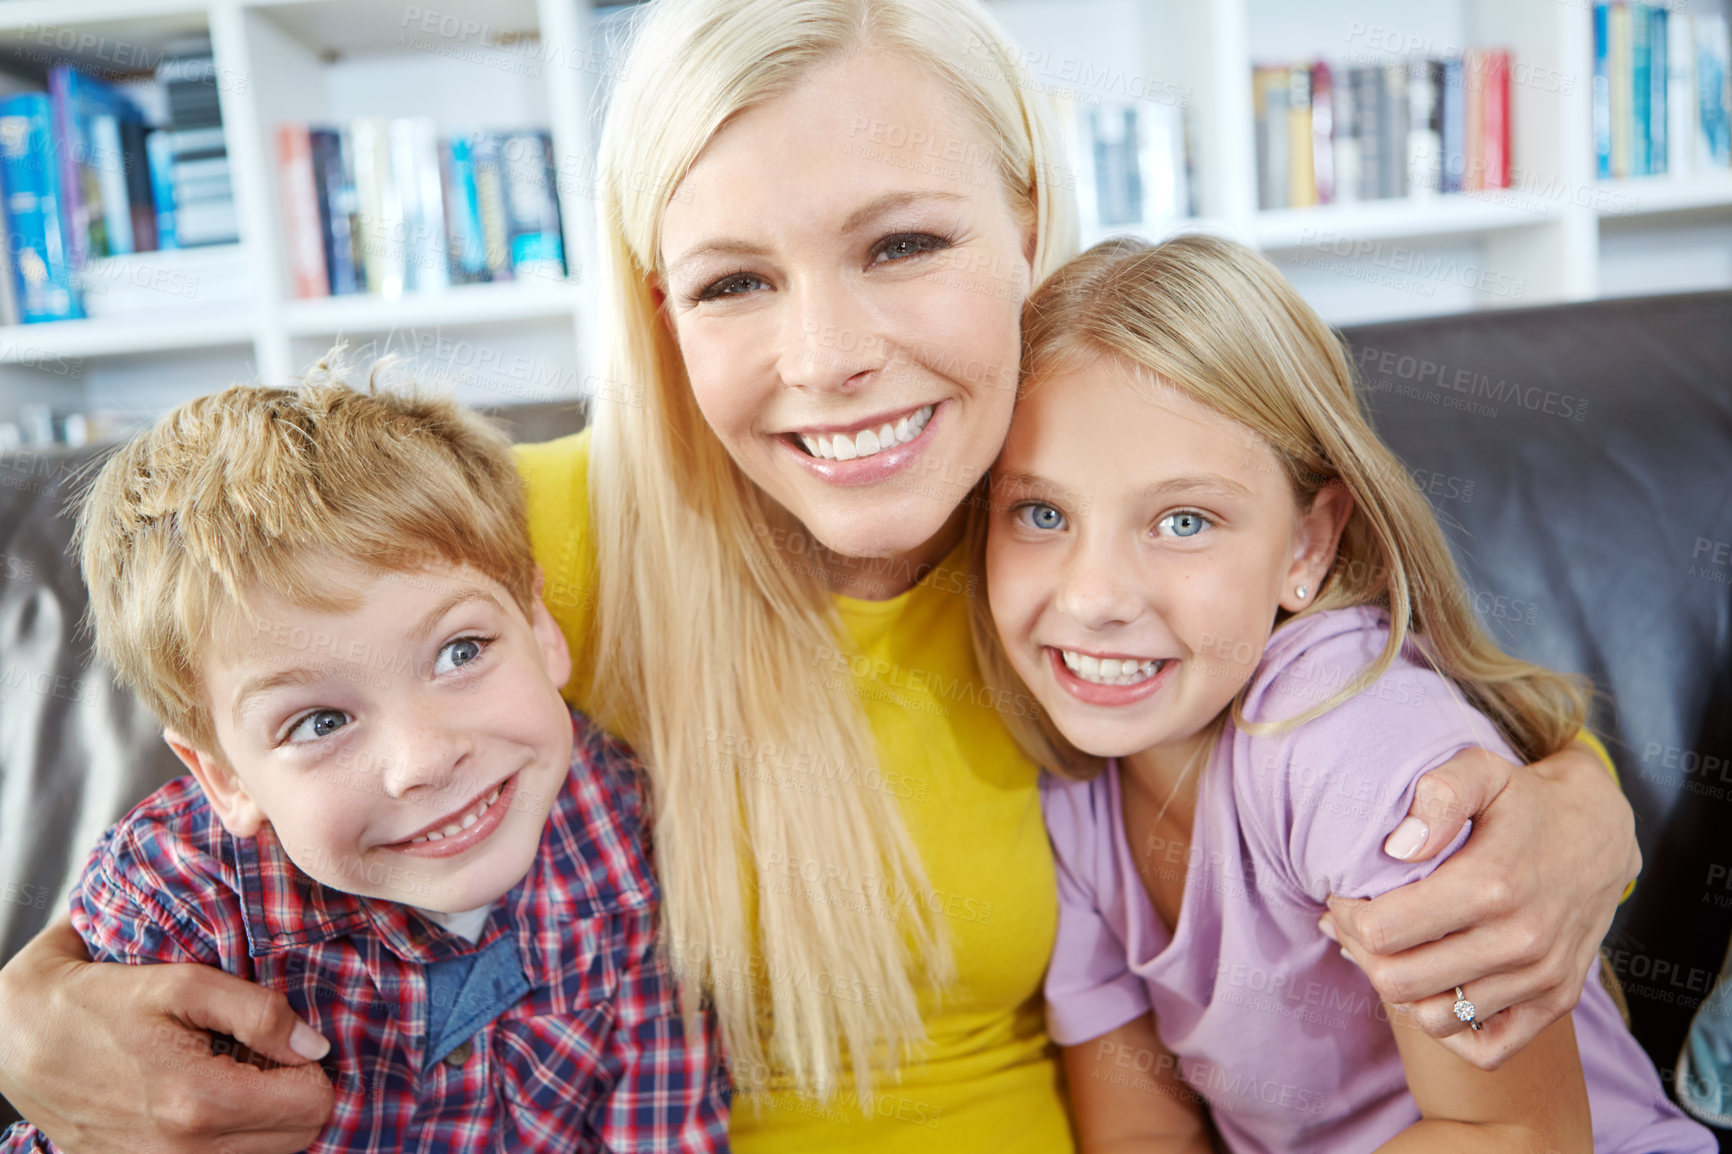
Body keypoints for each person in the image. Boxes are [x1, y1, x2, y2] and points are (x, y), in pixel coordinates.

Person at [0, 2, 1642, 1151]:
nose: (829, 359)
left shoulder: (1092, 553)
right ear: (655, 309)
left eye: (902, 244)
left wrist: (1581, 805)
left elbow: (1364, 680)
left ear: (1023, 221)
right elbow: (211, 831)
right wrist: (28, 1023)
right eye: (731, 280)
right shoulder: (487, 565)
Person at [972, 234, 1713, 1153]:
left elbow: (1520, 1134)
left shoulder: (1344, 742)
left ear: (1307, 546)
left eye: (1183, 520)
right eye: (1041, 513)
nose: (1093, 597)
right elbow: (1137, 1130)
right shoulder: (1074, 798)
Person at [0, 375, 730, 1153]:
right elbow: (90, 1119)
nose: (423, 760)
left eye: (461, 651)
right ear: (225, 778)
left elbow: (660, 1112)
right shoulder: (180, 903)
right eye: (320, 722)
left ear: (541, 628)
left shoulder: (619, 817)